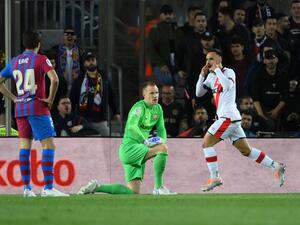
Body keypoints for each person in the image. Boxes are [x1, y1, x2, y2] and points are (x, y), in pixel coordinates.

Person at [195, 49, 286, 192]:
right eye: (206, 59)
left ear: (219, 60)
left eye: (211, 59)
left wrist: (218, 70)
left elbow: (228, 86)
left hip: (228, 117)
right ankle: (277, 166)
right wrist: (202, 75)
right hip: (231, 119)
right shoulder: (211, 77)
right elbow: (198, 93)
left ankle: (215, 177)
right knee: (246, 151)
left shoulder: (228, 72)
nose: (208, 62)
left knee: (206, 144)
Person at [0, 30, 69, 197]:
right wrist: (51, 99)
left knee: (25, 147)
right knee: (48, 145)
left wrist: (14, 98)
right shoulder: (41, 59)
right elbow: (55, 79)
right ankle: (48, 188)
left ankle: (27, 189)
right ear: (39, 44)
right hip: (37, 107)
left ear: (24, 44)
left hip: (20, 109)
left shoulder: (14, 61)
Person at [77, 81, 176, 195]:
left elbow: (161, 129)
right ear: (144, 94)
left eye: (157, 93)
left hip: (139, 148)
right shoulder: (138, 108)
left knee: (132, 191)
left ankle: (96, 187)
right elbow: (133, 127)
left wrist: (162, 139)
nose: (155, 96)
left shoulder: (158, 109)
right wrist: (146, 140)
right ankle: (159, 188)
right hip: (130, 148)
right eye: (152, 93)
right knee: (162, 149)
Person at [70, 52, 120, 136]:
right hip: (83, 121)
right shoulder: (79, 79)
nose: (91, 62)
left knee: (106, 146)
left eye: (93, 60)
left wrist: (116, 112)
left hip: (100, 119)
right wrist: (71, 117)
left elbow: (111, 96)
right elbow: (72, 99)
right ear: (84, 63)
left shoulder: (104, 78)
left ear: (96, 61)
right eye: (88, 60)